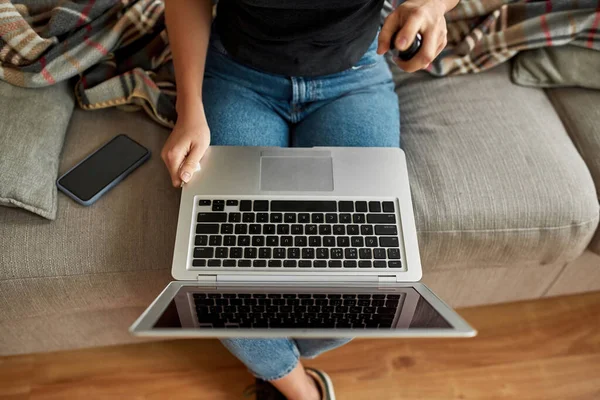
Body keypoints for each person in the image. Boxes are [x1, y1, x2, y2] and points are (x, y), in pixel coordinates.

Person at [162, 0, 457, 398]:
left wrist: (434, 6)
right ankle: (302, 389)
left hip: (355, 76)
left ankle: (275, 364)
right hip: (237, 77)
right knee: (216, 289)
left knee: (369, 293)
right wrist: (189, 107)